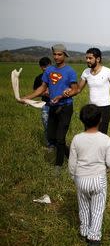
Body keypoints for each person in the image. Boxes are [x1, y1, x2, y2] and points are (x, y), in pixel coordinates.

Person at [20, 44, 79, 173]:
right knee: (51, 136)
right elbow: (42, 88)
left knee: (60, 137)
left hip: (65, 107)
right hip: (52, 107)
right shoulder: (49, 70)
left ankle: (58, 165)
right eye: (55, 54)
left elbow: (75, 90)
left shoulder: (70, 71)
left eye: (59, 54)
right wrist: (27, 98)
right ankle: (72, 156)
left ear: (65, 55)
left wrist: (63, 95)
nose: (56, 57)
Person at [69, 104, 110, 246]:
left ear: (81, 120)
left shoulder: (76, 139)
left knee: (84, 207)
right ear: (100, 120)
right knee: (97, 209)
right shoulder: (105, 140)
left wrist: (75, 178)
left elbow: (72, 163)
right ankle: (94, 238)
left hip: (80, 178)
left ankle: (84, 231)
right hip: (98, 179)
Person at [78, 48, 110, 134]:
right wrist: (67, 91)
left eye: (90, 58)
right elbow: (78, 89)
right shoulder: (86, 72)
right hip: (91, 108)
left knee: (101, 134)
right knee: (88, 133)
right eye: (86, 58)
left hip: (104, 108)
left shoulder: (108, 72)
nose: (87, 60)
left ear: (98, 59)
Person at [33, 56, 54, 148]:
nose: (46, 68)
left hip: (58, 105)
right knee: (47, 126)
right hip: (45, 106)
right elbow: (35, 93)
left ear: (51, 65)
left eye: (47, 66)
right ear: (41, 67)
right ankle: (50, 145)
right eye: (43, 66)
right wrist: (43, 93)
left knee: (57, 126)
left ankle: (58, 144)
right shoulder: (39, 78)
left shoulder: (57, 76)